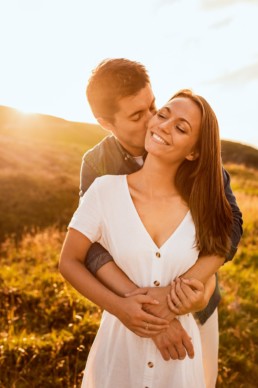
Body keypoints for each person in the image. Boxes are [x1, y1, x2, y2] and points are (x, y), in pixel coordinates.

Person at [78, 59, 243, 387]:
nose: (154, 119)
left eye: (153, 105)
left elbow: (230, 229)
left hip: (196, 309)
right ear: (105, 123)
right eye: (137, 116)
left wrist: (183, 295)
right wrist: (150, 308)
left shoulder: (194, 157)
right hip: (129, 313)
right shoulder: (98, 165)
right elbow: (92, 249)